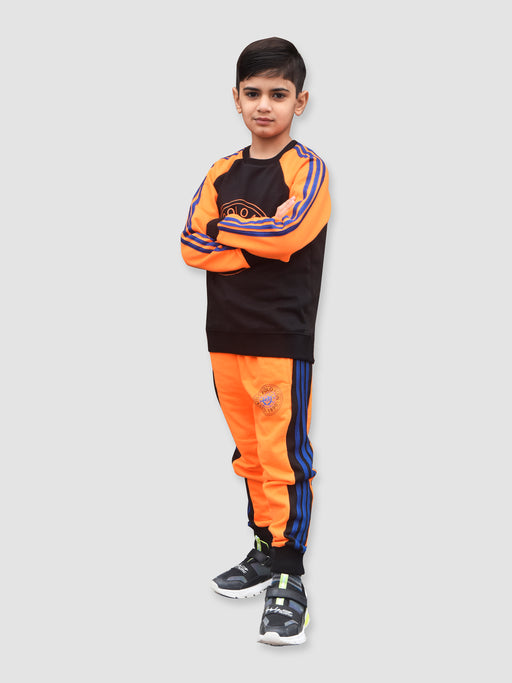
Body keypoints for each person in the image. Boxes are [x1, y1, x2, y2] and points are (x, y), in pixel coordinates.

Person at [180, 36, 331, 646]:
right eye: (253, 93)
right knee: (248, 454)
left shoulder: (307, 168)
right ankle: (265, 549)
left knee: (283, 457)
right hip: (225, 335)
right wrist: (251, 243)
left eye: (278, 94)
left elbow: (290, 235)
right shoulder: (221, 171)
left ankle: (290, 578)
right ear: (236, 99)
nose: (264, 105)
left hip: (279, 335)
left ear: (300, 102)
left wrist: (230, 235)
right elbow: (190, 245)